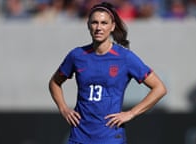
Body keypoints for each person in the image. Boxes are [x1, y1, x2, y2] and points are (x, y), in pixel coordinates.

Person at [49, 2, 167, 144]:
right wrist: (63, 109)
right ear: (88, 25)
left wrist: (131, 113)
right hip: (79, 136)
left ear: (112, 26)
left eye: (104, 23)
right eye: (95, 23)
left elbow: (159, 88)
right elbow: (55, 82)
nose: (99, 27)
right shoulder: (77, 55)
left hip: (110, 137)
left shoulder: (125, 57)